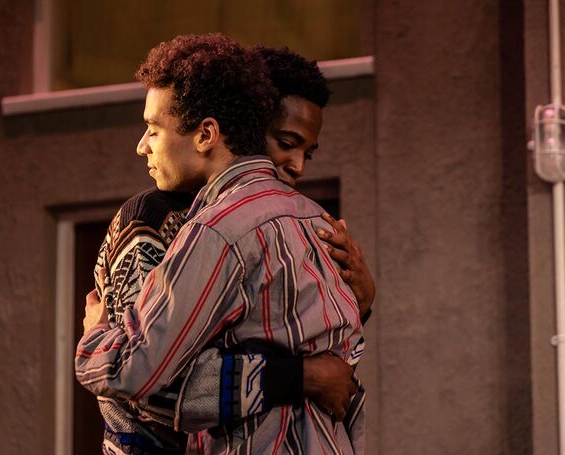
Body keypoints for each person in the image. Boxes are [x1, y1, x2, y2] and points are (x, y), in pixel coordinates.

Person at [76, 34, 366, 454]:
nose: (297, 165)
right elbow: (335, 366)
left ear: (210, 131)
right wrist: (306, 375)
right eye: (285, 142)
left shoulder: (217, 227)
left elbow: (137, 375)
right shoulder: (310, 219)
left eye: (154, 128)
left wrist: (96, 333)